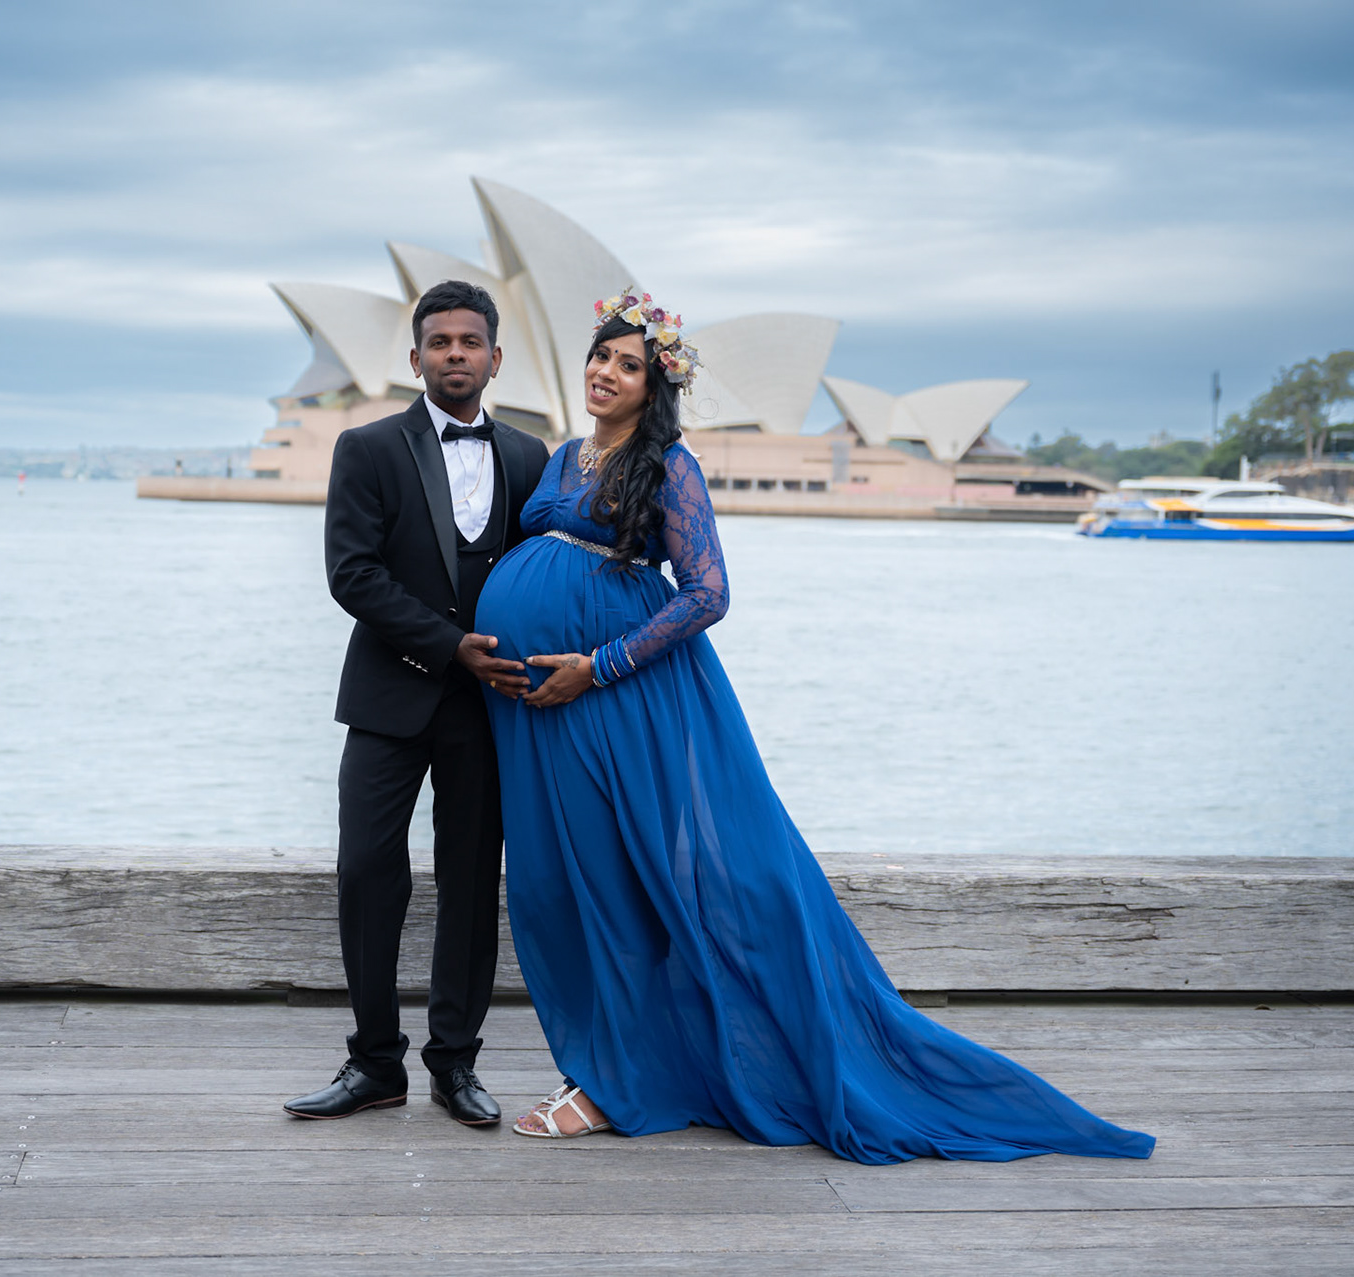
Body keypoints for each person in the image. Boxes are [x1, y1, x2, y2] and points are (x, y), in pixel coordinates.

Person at [474, 291, 1155, 1164]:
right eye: (601, 356)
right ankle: (613, 1061)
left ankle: (615, 1084)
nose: (606, 372)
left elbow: (708, 592)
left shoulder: (670, 465)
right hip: (534, 710)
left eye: (629, 364)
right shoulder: (565, 455)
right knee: (550, 886)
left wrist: (599, 664)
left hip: (616, 703)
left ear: (656, 385)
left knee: (623, 882)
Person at [284, 280, 550, 1127]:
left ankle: (454, 1063)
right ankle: (374, 1063)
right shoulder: (367, 448)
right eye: (440, 342)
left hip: (488, 706)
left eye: (470, 342)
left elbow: (546, 570)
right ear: (415, 358)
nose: (455, 354)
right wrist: (446, 644)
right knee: (367, 869)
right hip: (387, 696)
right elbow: (352, 574)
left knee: (471, 883)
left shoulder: (530, 457)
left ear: (496, 358)